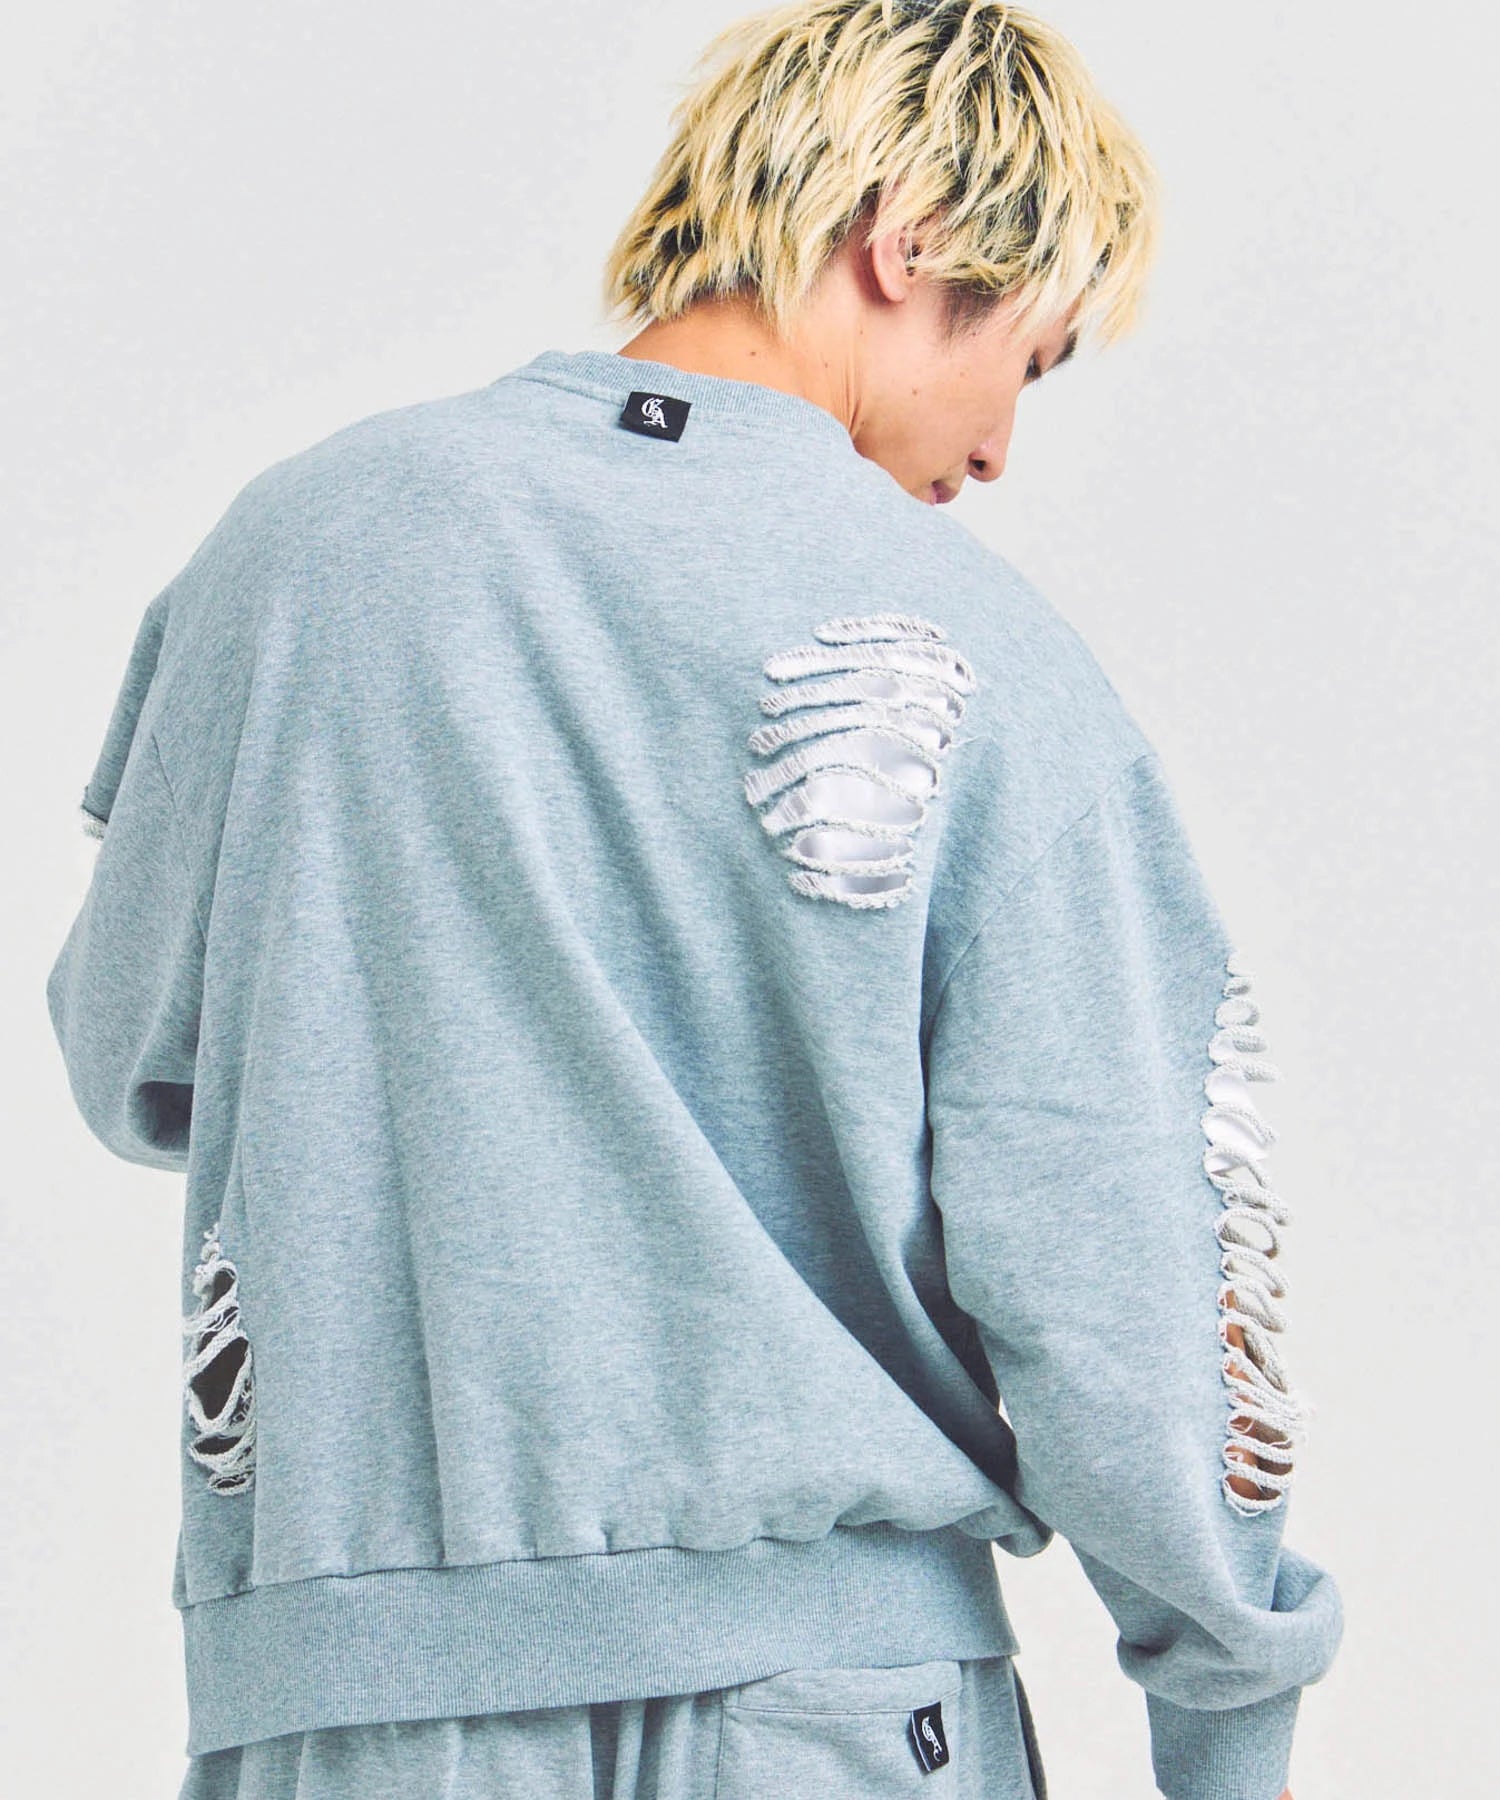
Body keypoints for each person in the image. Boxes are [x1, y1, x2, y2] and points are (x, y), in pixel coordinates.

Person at [44, 3, 1342, 1796]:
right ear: (908, 239)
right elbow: (1126, 1267)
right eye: (1026, 364)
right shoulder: (988, 661)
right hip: (827, 1719)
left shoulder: (291, 559)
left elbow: (131, 1057)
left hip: (344, 1702)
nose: (996, 453)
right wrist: (1228, 1726)